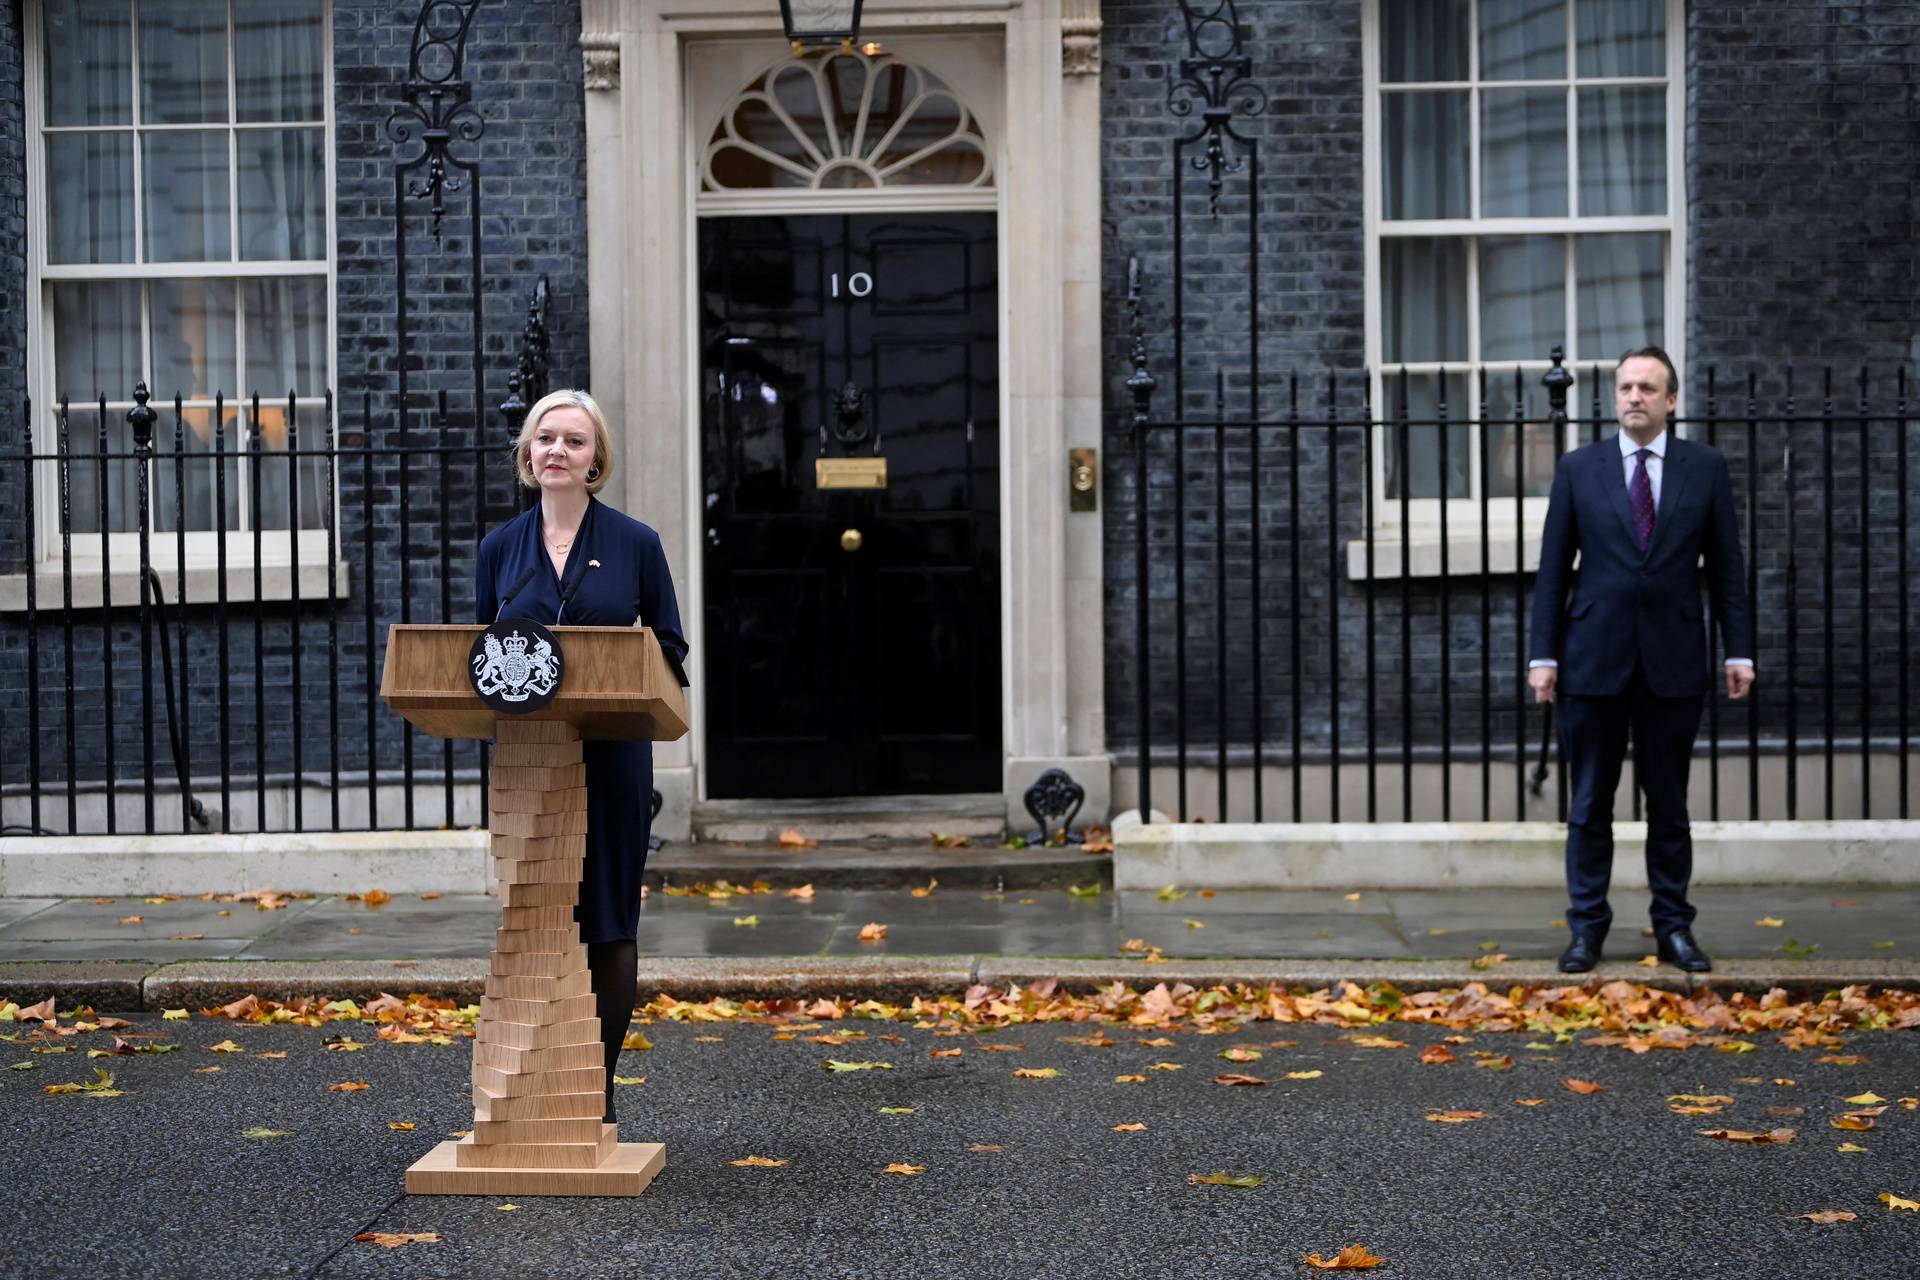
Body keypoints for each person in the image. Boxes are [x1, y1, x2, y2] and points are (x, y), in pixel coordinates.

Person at [475, 388, 687, 1125]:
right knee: (537, 920)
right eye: (545, 439)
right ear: (527, 456)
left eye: (574, 440)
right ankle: (534, 1089)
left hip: (614, 754)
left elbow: (670, 645)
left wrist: (620, 663)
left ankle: (595, 1091)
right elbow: (479, 656)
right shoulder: (499, 548)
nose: (557, 450)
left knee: (606, 919)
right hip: (531, 761)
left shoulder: (636, 542)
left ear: (597, 459)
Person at [1528, 347, 1755, 975]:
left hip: (1673, 658)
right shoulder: (1580, 468)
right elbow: (1553, 571)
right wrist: (1541, 655)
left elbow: (1727, 567)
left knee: (1670, 804)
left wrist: (1739, 648)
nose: (1634, 397)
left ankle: (1674, 929)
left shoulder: (1704, 468)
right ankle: (1586, 931)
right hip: (1591, 659)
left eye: (1647, 388)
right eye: (1626, 386)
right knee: (1589, 803)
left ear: (1671, 400)